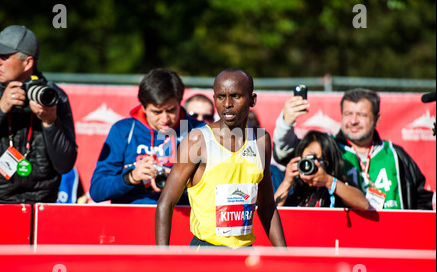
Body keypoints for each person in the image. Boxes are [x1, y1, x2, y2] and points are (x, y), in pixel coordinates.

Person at [155, 68, 286, 248]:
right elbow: (166, 203)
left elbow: (267, 206)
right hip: (206, 250)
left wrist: (285, 254)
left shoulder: (261, 139)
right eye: (220, 97)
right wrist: (161, 258)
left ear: (252, 100)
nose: (227, 104)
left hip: (245, 251)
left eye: (235, 96)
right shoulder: (197, 140)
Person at [273, 88, 433, 210]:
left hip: (392, 239)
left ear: (376, 119)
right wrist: (286, 122)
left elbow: (421, 201)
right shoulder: (329, 148)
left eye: (362, 115)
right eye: (348, 114)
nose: (354, 121)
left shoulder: (396, 155)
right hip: (345, 237)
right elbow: (285, 151)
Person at [0, 25, 77, 204]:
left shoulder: (52, 97)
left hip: (41, 206)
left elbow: (65, 164)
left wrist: (50, 123)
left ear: (27, 63)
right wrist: (0, 109)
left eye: (4, 56)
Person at [89, 68, 204, 204]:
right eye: (157, 112)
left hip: (182, 217)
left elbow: (217, 185)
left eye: (171, 110)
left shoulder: (199, 130)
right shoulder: (123, 130)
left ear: (179, 103)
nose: (165, 118)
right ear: (143, 107)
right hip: (132, 218)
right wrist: (132, 177)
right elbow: (97, 191)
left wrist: (181, 182)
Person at [274, 130, 370, 210]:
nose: (313, 164)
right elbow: (271, 213)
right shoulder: (294, 188)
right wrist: (286, 182)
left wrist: (328, 181)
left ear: (329, 162)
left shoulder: (337, 187)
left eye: (319, 160)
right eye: (309, 159)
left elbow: (364, 205)